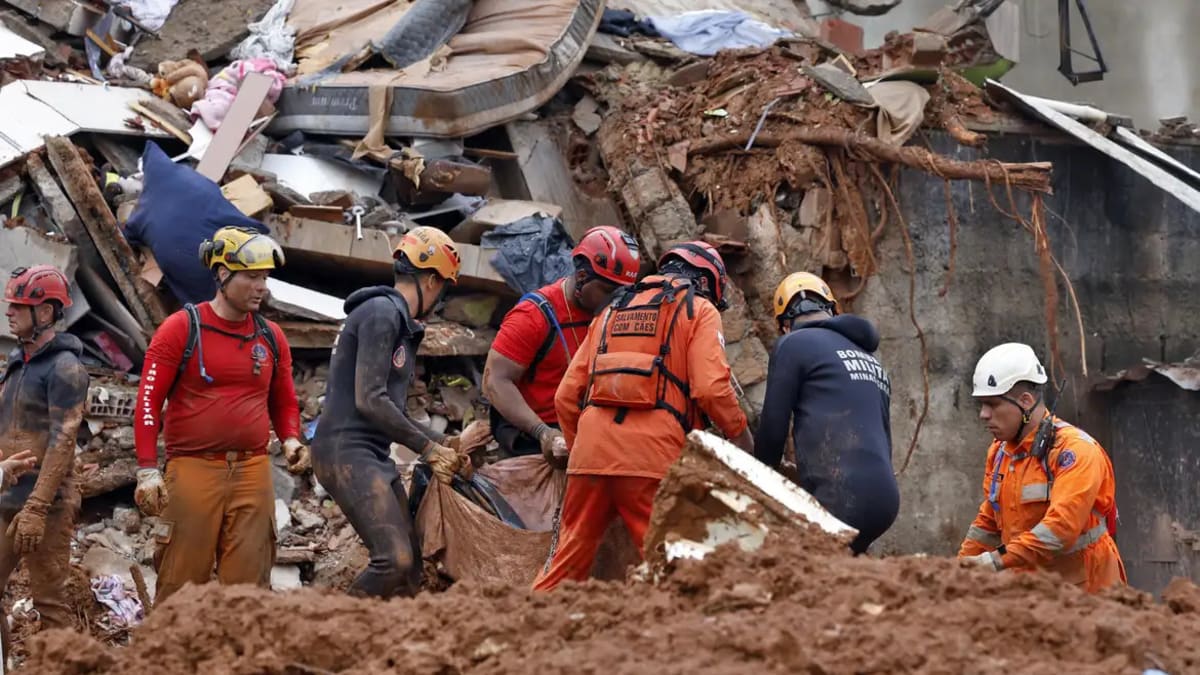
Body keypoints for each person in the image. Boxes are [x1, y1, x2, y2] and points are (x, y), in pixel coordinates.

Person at [535, 241, 753, 590]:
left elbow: (565, 398)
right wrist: (741, 436)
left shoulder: (610, 311)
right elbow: (711, 389)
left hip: (590, 457)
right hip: (651, 460)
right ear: (708, 284)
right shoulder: (698, 310)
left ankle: (519, 633)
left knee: (565, 568)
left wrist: (582, 454)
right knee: (674, 569)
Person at [312, 226, 487, 599]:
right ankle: (328, 630)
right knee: (393, 559)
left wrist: (443, 442)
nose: (441, 296)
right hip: (347, 451)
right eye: (444, 286)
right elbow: (371, 400)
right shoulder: (381, 313)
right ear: (430, 279)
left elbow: (387, 408)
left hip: (368, 453)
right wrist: (428, 450)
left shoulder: (396, 320)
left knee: (409, 575)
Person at [133, 227, 306, 603]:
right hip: (194, 469)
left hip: (253, 472)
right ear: (223, 274)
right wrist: (147, 470)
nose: (262, 286)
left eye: (265, 277)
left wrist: (291, 438)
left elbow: (284, 400)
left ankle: (237, 660)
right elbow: (147, 401)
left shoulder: (271, 337)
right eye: (252, 276)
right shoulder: (181, 329)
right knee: (182, 583)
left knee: (248, 588)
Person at [958, 343, 1125, 593]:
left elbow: (1060, 530)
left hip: (1087, 592)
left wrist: (992, 562)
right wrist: (956, 569)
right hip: (1035, 590)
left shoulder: (1075, 451)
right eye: (981, 405)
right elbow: (989, 520)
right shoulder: (1001, 451)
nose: (983, 414)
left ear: (1026, 401)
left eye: (991, 404)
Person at [753, 272, 898, 554]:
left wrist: (756, 480)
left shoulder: (793, 344)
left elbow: (773, 429)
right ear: (832, 310)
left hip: (842, 495)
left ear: (784, 324)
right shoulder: (871, 360)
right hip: (885, 499)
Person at [484, 226, 640, 467]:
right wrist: (542, 432)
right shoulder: (534, 315)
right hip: (535, 438)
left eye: (622, 291)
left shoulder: (611, 313)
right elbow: (495, 381)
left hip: (588, 432)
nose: (615, 299)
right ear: (582, 277)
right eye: (608, 291)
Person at [0, 266, 90, 652]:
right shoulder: (18, 363)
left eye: (20, 306)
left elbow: (63, 439)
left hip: (46, 507)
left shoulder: (66, 368)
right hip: (6, 497)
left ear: (47, 312)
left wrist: (37, 507)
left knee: (50, 603)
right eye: (11, 305)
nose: (9, 312)